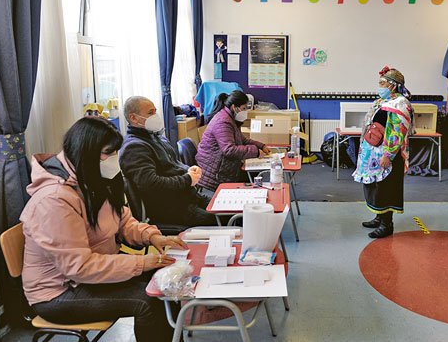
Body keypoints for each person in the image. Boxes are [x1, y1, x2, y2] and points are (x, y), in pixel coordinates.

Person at [20, 116, 186, 341]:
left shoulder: (93, 179)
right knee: (149, 301)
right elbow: (79, 267)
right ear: (84, 151)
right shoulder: (53, 200)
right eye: (108, 152)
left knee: (167, 284)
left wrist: (152, 237)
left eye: (115, 152)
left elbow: (124, 221)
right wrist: (142, 262)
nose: (113, 159)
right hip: (59, 291)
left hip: (91, 274)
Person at [120, 96, 217, 227]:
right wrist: (187, 179)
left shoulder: (156, 138)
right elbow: (152, 185)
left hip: (188, 197)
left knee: (227, 209)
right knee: (224, 219)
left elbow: (174, 164)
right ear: (133, 118)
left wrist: (189, 170)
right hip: (172, 208)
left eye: (155, 111)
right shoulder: (134, 148)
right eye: (150, 113)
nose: (155, 116)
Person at [353, 65, 414, 238]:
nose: (379, 86)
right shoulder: (381, 102)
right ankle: (379, 217)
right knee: (374, 186)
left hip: (388, 156)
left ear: (393, 86)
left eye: (382, 83)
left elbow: (398, 131)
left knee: (386, 188)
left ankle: (387, 224)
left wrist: (389, 154)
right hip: (373, 154)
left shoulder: (401, 104)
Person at [196, 90, 271, 192]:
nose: (246, 112)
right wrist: (256, 151)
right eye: (244, 108)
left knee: (254, 173)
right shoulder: (223, 122)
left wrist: (261, 146)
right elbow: (229, 150)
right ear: (234, 107)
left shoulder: (230, 119)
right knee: (252, 176)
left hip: (221, 163)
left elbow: (242, 140)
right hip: (215, 169)